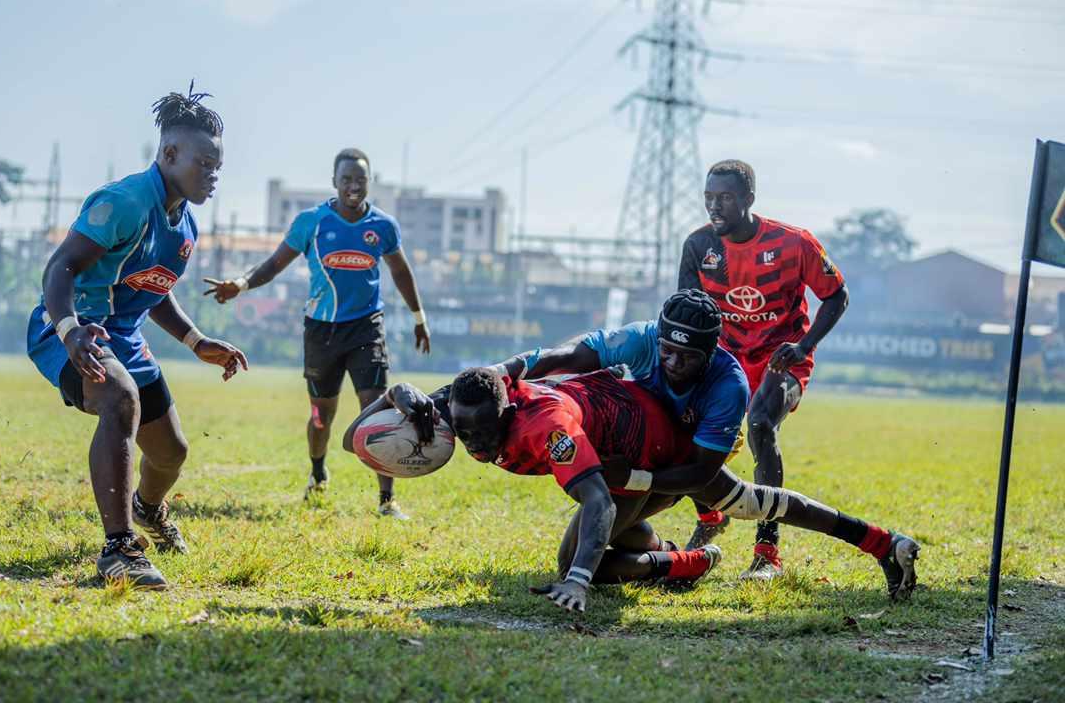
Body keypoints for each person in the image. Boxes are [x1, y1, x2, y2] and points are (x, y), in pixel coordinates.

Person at [489, 289, 919, 606]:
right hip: (642, 451)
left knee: (745, 503)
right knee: (738, 504)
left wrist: (635, 478)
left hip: (672, 463)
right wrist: (511, 368)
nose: (673, 364)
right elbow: (573, 354)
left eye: (687, 357)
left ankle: (881, 543)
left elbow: (697, 474)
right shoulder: (643, 339)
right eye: (668, 351)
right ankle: (684, 559)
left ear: (710, 351)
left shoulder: (727, 386)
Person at [26, 84, 248, 588]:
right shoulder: (124, 201)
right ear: (169, 154)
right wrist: (69, 331)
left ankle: (147, 509)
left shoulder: (184, 225)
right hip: (68, 327)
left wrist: (197, 341)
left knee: (171, 452)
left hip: (123, 337)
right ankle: (119, 548)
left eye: (218, 167)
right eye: (205, 164)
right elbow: (61, 267)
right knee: (120, 399)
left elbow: (155, 289)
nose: (213, 175)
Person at [345, 367, 727, 613]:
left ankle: (683, 567)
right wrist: (391, 394)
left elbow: (600, 501)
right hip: (616, 458)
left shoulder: (545, 426)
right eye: (465, 433)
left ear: (507, 416)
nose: (474, 444)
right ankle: (674, 556)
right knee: (609, 533)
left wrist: (578, 581)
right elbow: (351, 442)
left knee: (573, 562)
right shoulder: (457, 407)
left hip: (649, 456)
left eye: (483, 433)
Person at [204, 148, 430, 518]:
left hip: (366, 328)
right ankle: (318, 471)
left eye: (360, 179)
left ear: (368, 183)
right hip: (321, 332)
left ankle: (387, 500)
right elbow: (275, 263)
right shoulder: (312, 222)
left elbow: (401, 272)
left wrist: (419, 317)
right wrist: (241, 284)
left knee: (378, 408)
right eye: (346, 180)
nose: (353, 186)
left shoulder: (383, 227)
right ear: (335, 183)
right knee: (322, 415)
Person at [677, 159, 850, 580]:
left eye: (726, 198)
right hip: (727, 359)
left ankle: (766, 553)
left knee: (759, 426)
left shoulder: (795, 243)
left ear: (749, 199)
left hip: (782, 358)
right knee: (680, 427)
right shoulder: (698, 247)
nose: (715, 207)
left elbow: (837, 295)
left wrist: (804, 345)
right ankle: (712, 514)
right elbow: (686, 312)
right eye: (709, 198)